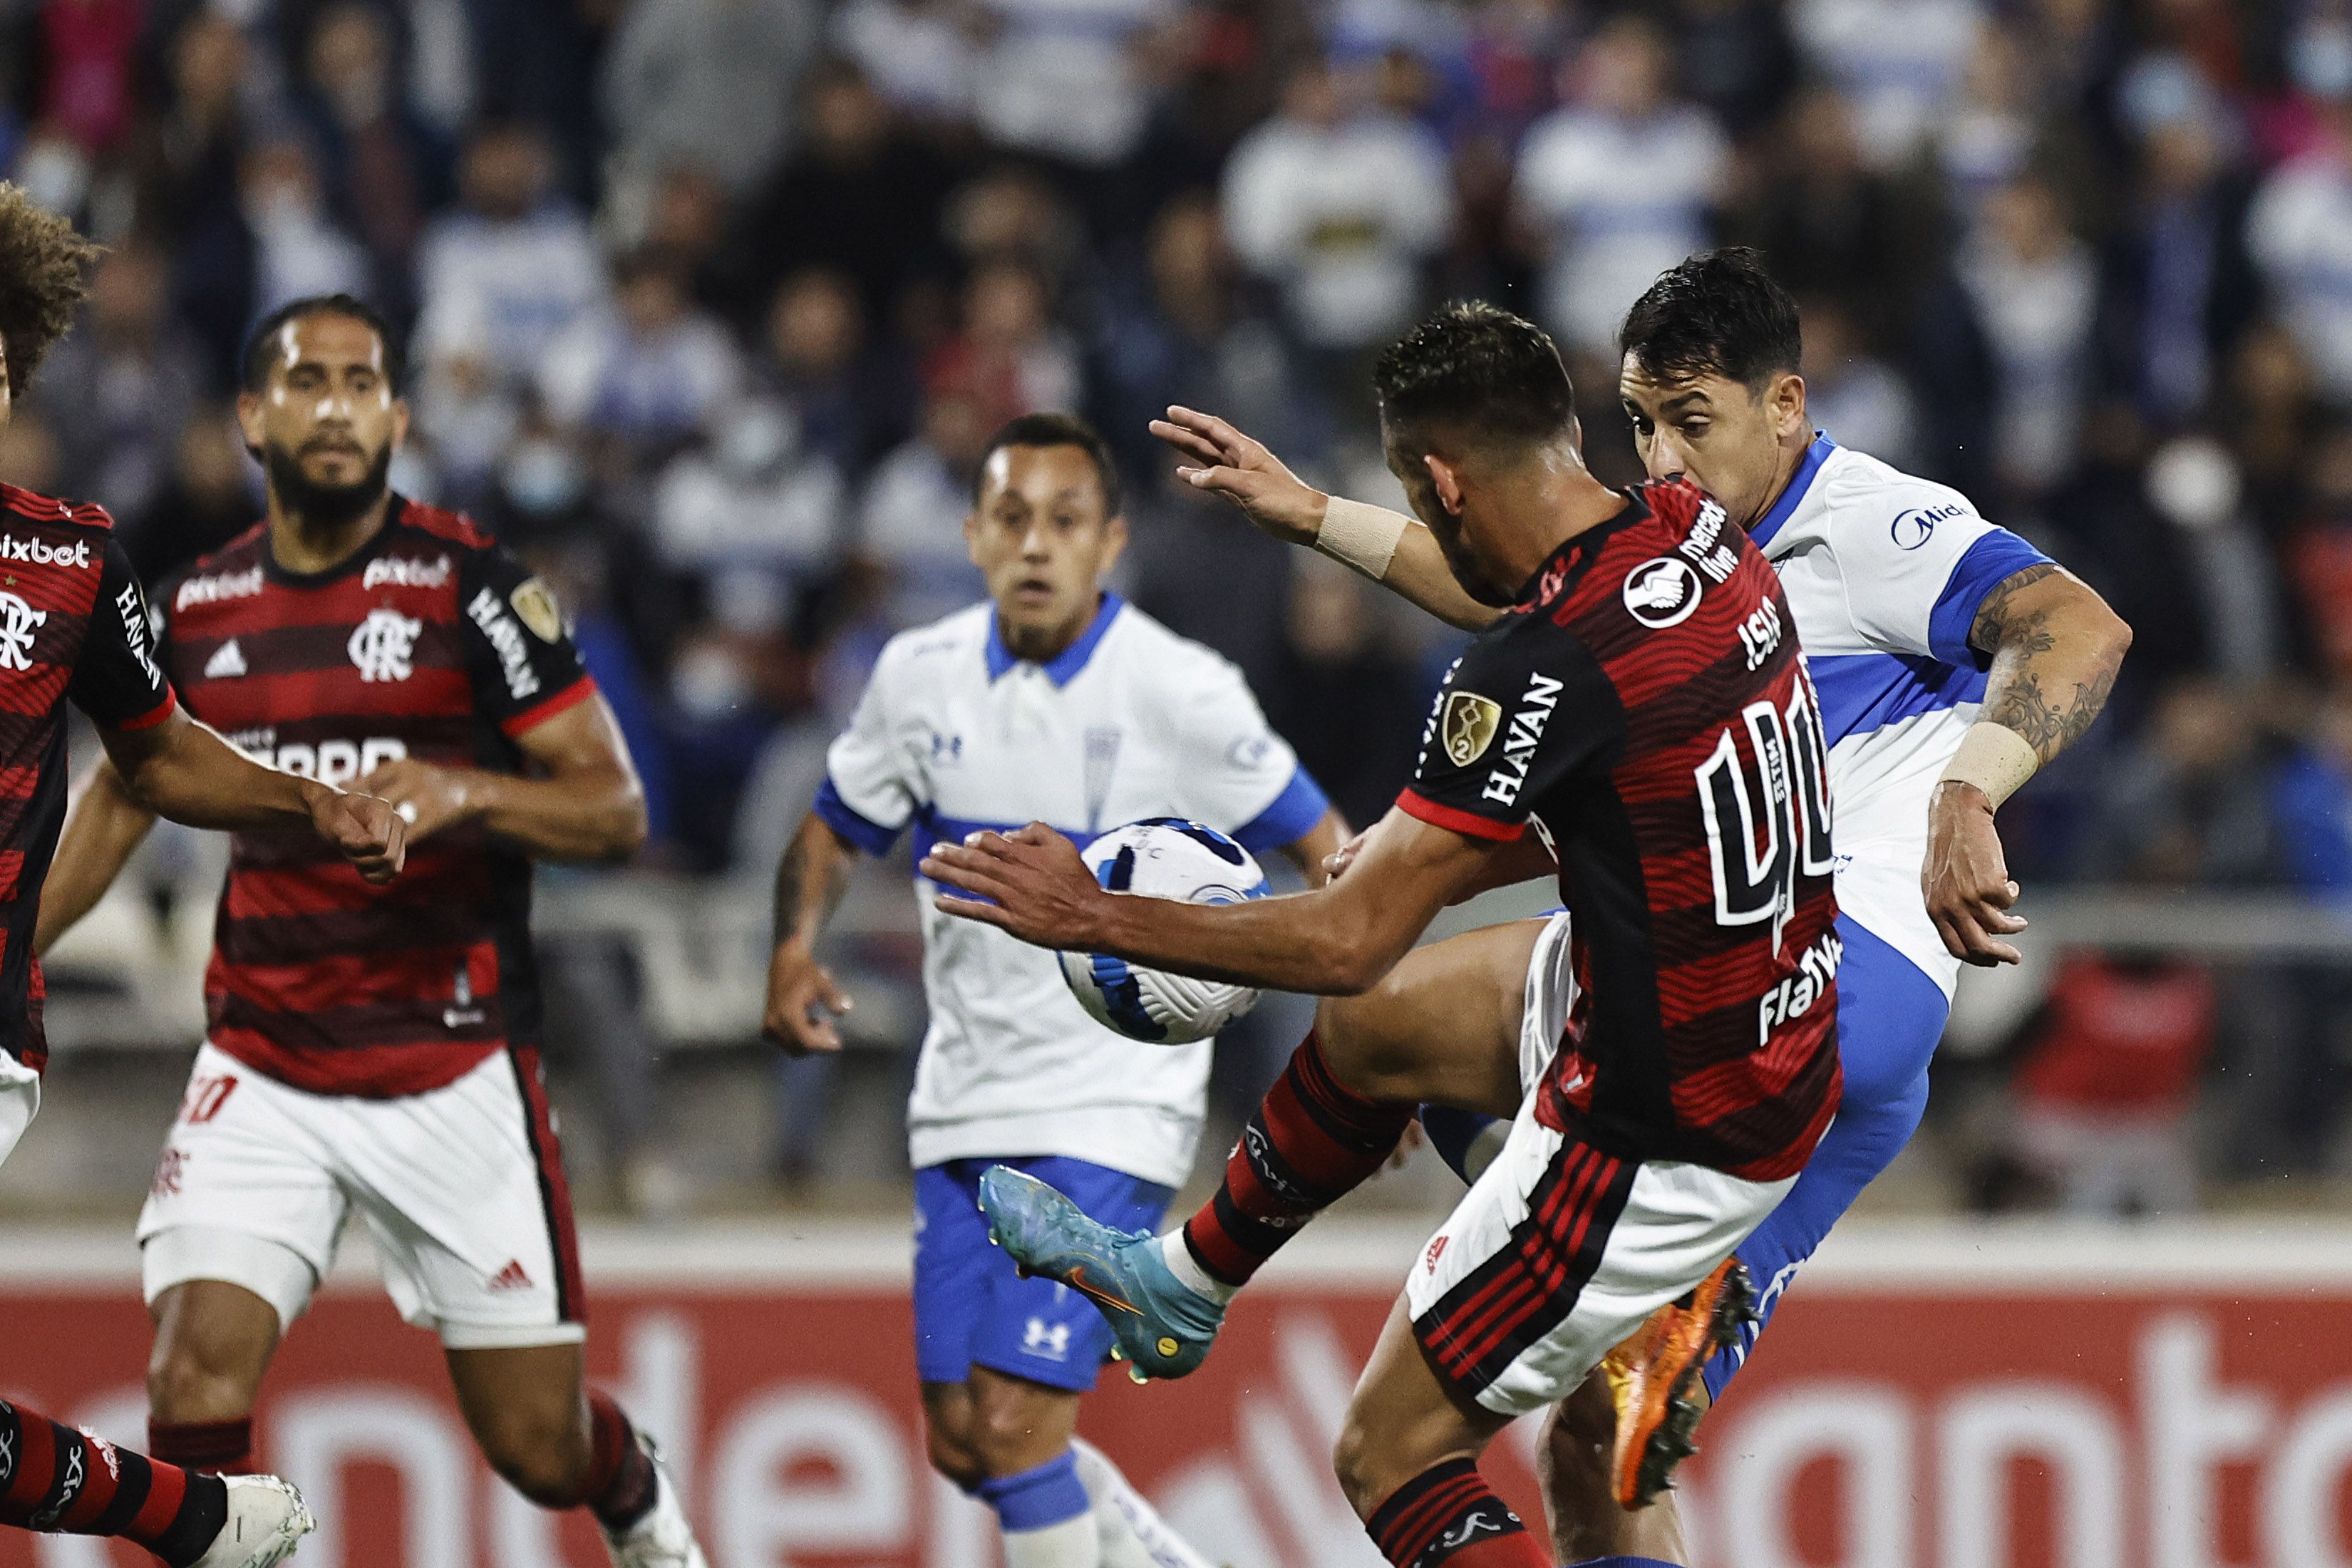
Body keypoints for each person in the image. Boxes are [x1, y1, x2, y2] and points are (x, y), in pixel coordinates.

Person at [1063, 250, 2131, 1565]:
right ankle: (1656, 1310)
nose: (1665, 457)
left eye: (1694, 419)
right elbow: (1532, 587)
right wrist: (1312, 516)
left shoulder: (1872, 525)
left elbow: (2078, 627)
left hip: (1827, 976)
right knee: (1597, 1443)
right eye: (1639, 421)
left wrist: (1971, 791)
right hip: (1840, 1048)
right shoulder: (1686, 545)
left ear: (1787, 406)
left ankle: (1224, 1274)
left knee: (1387, 1030)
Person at [925, 303, 1844, 1568]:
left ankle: (1607, 1272)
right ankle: (1180, 1292)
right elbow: (1622, 740)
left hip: (1663, 1123)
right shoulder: (1692, 532)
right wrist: (1310, 515)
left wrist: (1092, 914)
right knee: (1387, 1025)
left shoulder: (1534, 667)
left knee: (1390, 1452)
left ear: (1441, 481)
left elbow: (1345, 940)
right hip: (1767, 1016)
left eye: (1416, 492)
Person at [36, 294, 708, 1568]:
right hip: (265, 1061)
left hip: (451, 1065)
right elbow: (128, 792)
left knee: (536, 1447)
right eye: (305, 380)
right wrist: (12, 953)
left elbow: (614, 810)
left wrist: (465, 790)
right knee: (187, 1388)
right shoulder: (192, 609)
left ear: (399, 415)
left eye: (361, 382)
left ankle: (632, 1496)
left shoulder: (475, 590)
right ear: (251, 417)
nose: (334, 404)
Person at [762, 411, 1343, 1568]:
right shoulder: (916, 679)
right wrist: (792, 948)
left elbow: (1337, 856)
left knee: (1021, 1428)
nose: (1037, 545)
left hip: (1113, 1109)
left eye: (1065, 521)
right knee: (964, 1441)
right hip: (965, 1100)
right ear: (974, 536)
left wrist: (1367, 1043)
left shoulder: (1182, 690)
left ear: (1110, 541)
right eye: (1013, 519)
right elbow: (832, 830)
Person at [0, 185, 408, 1568]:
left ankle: (180, 1514)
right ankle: (192, 1517)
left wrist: (314, 800)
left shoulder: (64, 560)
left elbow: (162, 756)